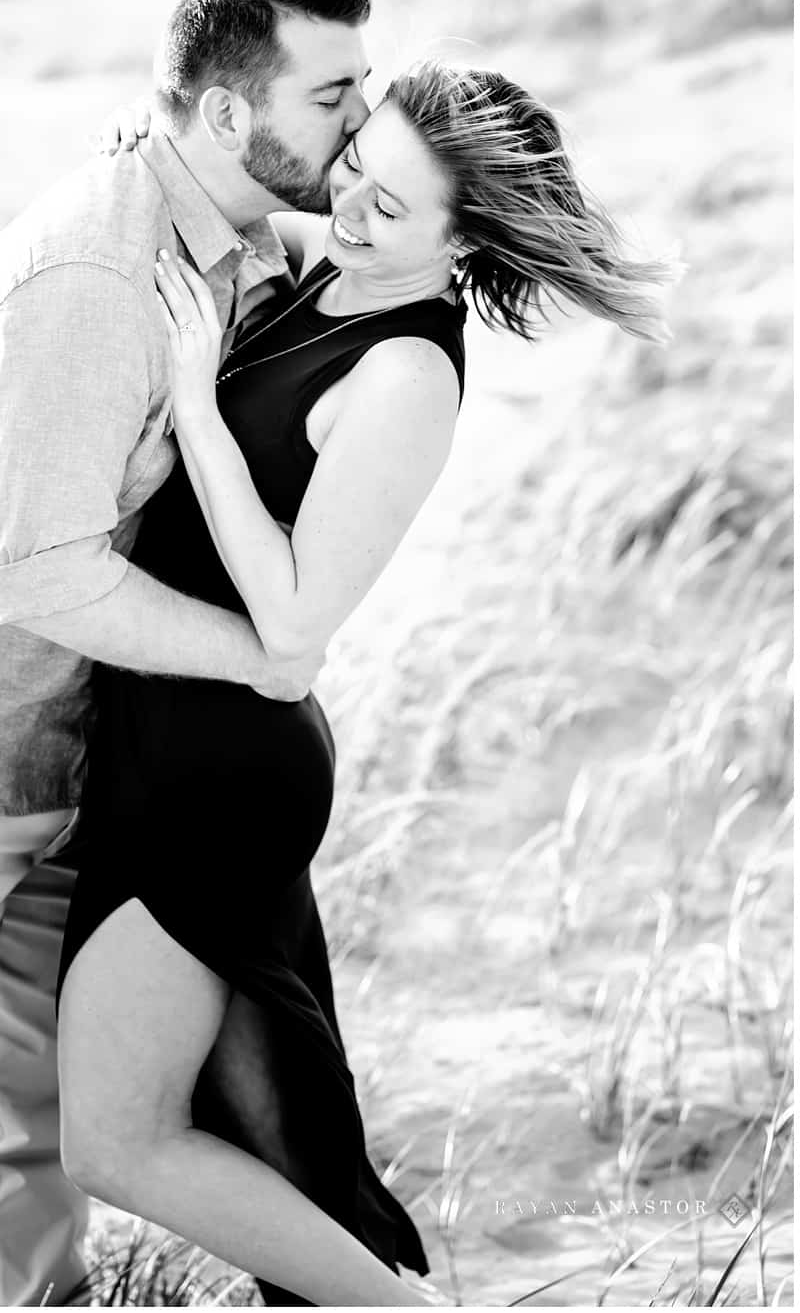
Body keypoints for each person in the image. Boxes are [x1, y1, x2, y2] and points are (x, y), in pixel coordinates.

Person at [58, 65, 677, 1306]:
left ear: (464, 245)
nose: (347, 206)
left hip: (220, 772)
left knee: (117, 1141)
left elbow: (293, 621)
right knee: (280, 1123)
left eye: (392, 208)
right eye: (356, 166)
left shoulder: (408, 378)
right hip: (158, 737)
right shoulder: (332, 261)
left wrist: (196, 404)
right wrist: (162, 143)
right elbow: (218, 198)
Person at [0, 0, 373, 1308]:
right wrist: (262, 656)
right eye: (332, 96)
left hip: (56, 759)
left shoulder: (229, 227)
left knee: (30, 1118)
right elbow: (34, 572)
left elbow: (343, 259)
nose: (357, 122)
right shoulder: (96, 275)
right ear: (217, 118)